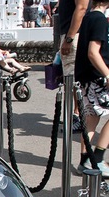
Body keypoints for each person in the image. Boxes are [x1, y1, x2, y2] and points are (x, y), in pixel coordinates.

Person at [74, 0, 109, 176]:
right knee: (92, 120)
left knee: (90, 120)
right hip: (98, 78)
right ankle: (98, 157)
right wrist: (107, 74)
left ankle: (85, 160)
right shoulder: (100, 20)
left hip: (87, 78)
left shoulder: (89, 17)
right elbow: (93, 52)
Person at [59, 0, 90, 132]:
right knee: (71, 79)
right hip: (72, 34)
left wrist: (69, 38)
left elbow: (82, 8)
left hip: (75, 35)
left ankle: (79, 116)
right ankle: (77, 114)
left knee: (74, 79)